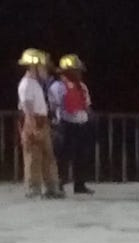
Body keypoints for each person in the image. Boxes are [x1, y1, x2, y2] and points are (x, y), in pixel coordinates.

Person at [17, 49, 63, 199]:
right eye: (42, 67)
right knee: (33, 156)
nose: (45, 70)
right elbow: (27, 106)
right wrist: (32, 125)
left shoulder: (34, 83)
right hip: (34, 121)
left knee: (47, 155)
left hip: (41, 120)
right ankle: (33, 188)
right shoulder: (26, 84)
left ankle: (51, 187)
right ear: (33, 67)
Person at [48, 54, 93, 195]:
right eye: (76, 70)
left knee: (82, 156)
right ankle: (60, 183)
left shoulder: (83, 87)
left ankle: (80, 185)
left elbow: (87, 105)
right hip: (66, 125)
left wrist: (89, 118)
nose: (79, 73)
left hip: (82, 124)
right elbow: (53, 106)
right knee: (63, 156)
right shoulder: (57, 87)